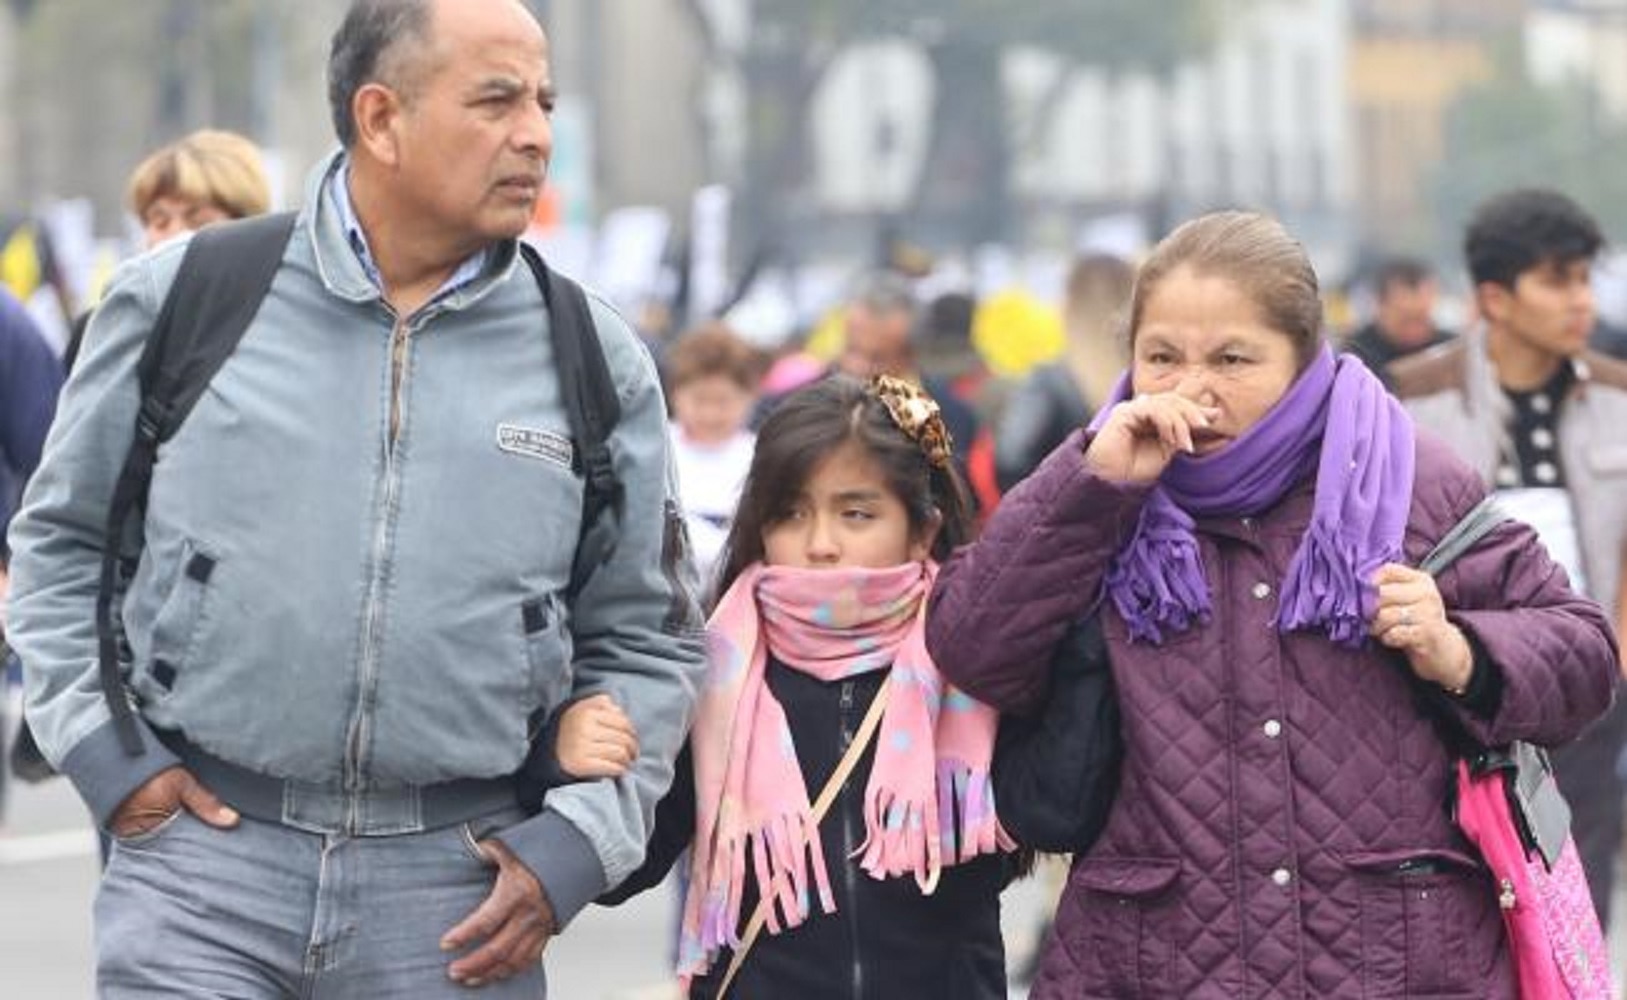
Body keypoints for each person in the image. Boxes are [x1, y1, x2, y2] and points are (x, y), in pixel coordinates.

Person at [5, 0, 704, 995]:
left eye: (543, 102)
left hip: (460, 897)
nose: (537, 134)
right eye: (496, 100)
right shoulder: (184, 298)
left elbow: (653, 633)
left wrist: (578, 845)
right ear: (379, 118)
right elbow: (63, 542)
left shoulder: (594, 355)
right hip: (201, 869)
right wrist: (111, 760)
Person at [924, 209, 1619, 997]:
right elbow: (968, 645)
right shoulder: (1096, 483)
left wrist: (1457, 650)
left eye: (1231, 359)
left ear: (1302, 361)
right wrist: (1088, 487)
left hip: (1392, 962)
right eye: (1160, 357)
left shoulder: (1405, 481)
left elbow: (1582, 656)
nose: (1192, 388)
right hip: (1151, 963)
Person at [601, 374, 1017, 998]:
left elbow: (1056, 813)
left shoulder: (972, 664)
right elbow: (622, 872)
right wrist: (582, 749)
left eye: (857, 513)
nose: (821, 545)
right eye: (791, 513)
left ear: (922, 530)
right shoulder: (711, 676)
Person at [1391, 187, 1627, 925]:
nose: (1578, 300)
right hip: (1453, 690)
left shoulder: (1617, 396)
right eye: (1556, 280)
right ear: (1493, 297)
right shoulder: (1409, 397)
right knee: (1464, 900)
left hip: (1585, 685)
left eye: (1584, 278)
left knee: (1577, 892)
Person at [63, 128, 273, 372]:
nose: (175, 235)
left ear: (249, 227)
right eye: (159, 220)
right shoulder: (103, 333)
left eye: (198, 221)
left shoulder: (274, 332)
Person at [994, 253, 1135, 492]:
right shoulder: (1148, 377)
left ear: (1070, 304)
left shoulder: (1048, 381)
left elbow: (1010, 458)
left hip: (1062, 518)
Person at [664, 324, 761, 596]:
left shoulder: (757, 456)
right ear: (675, 394)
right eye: (699, 399)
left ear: (749, 397)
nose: (710, 414)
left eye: (723, 402)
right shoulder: (659, 446)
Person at [1340, 255, 1454, 389]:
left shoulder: (1450, 348)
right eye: (1405, 319)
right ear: (1380, 306)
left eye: (1422, 318)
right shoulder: (1356, 353)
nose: (1414, 329)